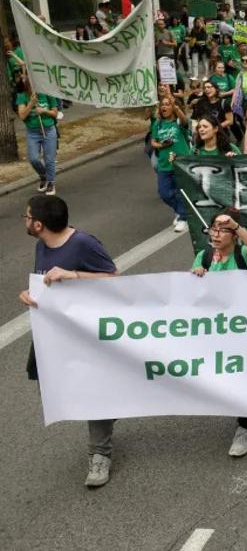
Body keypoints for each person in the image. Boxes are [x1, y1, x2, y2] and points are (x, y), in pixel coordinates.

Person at [20, 195, 119, 487]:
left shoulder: (84, 244)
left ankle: (100, 454)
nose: (24, 221)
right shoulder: (42, 245)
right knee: (56, 390)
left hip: (85, 334)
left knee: (91, 393)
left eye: (26, 217)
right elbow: (46, 284)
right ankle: (111, 408)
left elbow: (116, 278)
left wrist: (74, 275)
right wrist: (29, 295)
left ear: (38, 224)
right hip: (53, 333)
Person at [190, 208, 247, 457]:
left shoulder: (243, 254)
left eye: (224, 229)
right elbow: (195, 293)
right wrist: (198, 275)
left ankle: (244, 429)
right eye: (214, 228)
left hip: (245, 327)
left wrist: (237, 226)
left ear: (234, 234)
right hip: (217, 328)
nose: (216, 234)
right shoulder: (205, 255)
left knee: (243, 374)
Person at [12, 67, 60, 195]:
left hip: (49, 130)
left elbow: (55, 113)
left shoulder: (46, 93)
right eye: (26, 77)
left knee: (49, 159)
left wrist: (44, 111)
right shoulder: (22, 95)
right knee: (33, 159)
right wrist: (31, 103)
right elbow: (22, 115)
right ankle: (43, 175)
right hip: (33, 132)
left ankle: (50, 182)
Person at [149, 96, 191, 232]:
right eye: (162, 105)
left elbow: (185, 121)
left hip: (180, 163)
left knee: (180, 192)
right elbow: (153, 141)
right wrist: (161, 144)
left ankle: (183, 218)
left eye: (168, 105)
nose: (164, 107)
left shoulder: (178, 122)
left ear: (173, 107)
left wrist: (176, 105)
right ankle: (180, 211)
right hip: (164, 164)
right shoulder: (158, 124)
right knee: (164, 193)